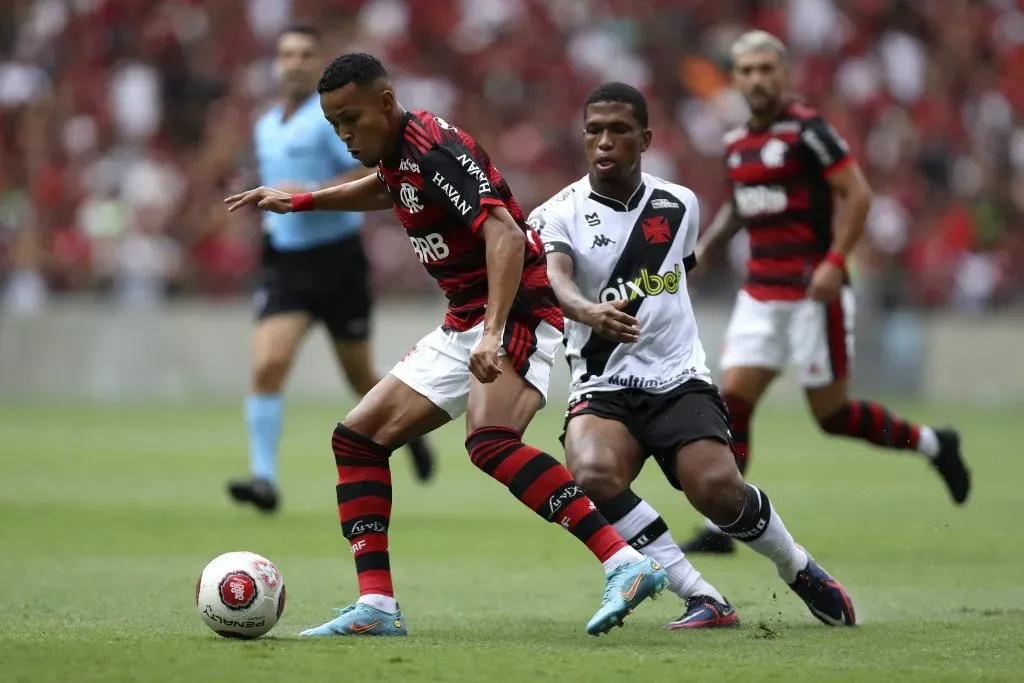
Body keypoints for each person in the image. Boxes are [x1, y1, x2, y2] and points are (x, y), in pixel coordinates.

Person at [225, 53, 668, 637]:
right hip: (466, 318)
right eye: (335, 124)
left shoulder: (435, 149)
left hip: (516, 309)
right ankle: (377, 607)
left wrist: (492, 331)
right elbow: (387, 191)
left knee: (489, 441)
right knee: (357, 440)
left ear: (386, 102)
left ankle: (626, 561)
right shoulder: (398, 155)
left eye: (351, 118)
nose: (345, 133)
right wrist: (302, 200)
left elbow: (506, 236)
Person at [533, 81, 856, 629]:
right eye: (594, 131)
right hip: (601, 384)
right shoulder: (555, 213)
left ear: (646, 138)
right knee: (588, 472)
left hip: (678, 378)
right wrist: (586, 311)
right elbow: (557, 277)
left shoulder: (680, 203)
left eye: (619, 130)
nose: (605, 141)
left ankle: (796, 565)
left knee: (719, 492)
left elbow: (682, 270)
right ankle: (702, 595)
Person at [678, 31, 971, 555]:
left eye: (767, 69)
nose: (757, 79)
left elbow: (858, 194)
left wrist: (836, 263)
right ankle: (726, 526)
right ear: (736, 78)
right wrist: (696, 254)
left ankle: (934, 443)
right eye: (746, 70)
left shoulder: (809, 131)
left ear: (784, 74)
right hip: (761, 293)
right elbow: (742, 206)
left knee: (831, 417)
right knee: (732, 403)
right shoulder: (735, 141)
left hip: (813, 293)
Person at [227, 28, 436, 513]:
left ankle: (410, 432)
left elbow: (372, 174)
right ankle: (263, 478)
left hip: (337, 260)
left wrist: (310, 190)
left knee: (360, 375)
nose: (294, 63)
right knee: (268, 364)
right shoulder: (266, 125)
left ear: (316, 61)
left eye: (304, 54)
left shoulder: (334, 119)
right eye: (286, 55)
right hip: (286, 265)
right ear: (277, 64)